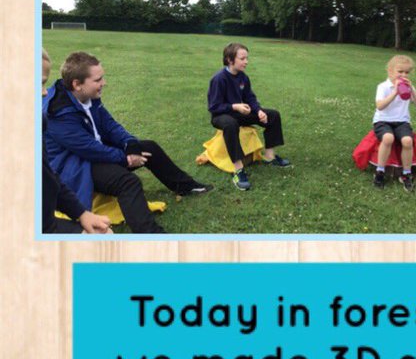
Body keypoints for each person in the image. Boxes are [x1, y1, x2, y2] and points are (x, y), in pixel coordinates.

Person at [44, 51, 211, 234]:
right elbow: (89, 150)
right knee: (127, 182)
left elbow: (110, 126)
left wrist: (131, 144)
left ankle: (186, 186)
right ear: (77, 84)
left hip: (94, 155)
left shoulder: (87, 96)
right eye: (98, 80)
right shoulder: (57, 112)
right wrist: (126, 159)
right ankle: (150, 235)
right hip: (76, 166)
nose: (103, 83)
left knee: (149, 148)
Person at [40, 50, 111, 236]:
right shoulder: (57, 113)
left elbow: (46, 177)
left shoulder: (35, 122)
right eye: (38, 83)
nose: (44, 92)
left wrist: (81, 214)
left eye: (44, 83)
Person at [207, 43, 291, 192]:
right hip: (221, 116)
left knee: (273, 115)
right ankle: (238, 170)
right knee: (231, 124)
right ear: (229, 59)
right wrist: (234, 106)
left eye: (247, 58)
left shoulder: (243, 77)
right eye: (242, 58)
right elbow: (214, 107)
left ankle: (270, 156)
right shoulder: (219, 79)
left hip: (241, 113)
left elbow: (250, 98)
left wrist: (258, 111)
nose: (246, 61)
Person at [371, 54, 416, 191]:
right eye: (400, 71)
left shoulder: (409, 87)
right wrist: (395, 92)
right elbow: (380, 106)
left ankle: (406, 174)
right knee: (388, 138)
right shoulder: (383, 87)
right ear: (390, 71)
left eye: (407, 72)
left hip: (402, 121)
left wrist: (412, 90)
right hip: (383, 120)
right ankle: (380, 171)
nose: (403, 75)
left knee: (407, 140)